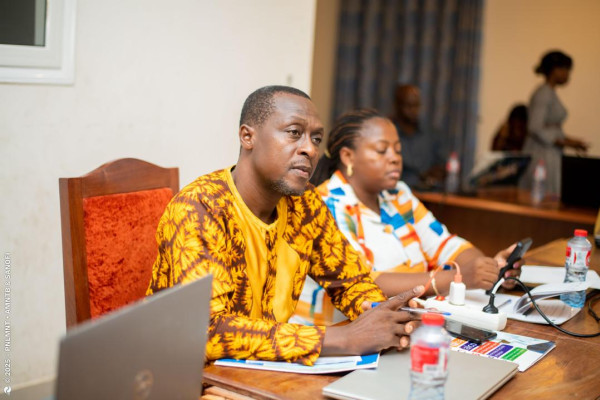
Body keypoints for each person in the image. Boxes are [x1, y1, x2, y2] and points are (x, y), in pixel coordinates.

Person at [146, 86, 423, 366]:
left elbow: (350, 281)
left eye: (316, 138)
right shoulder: (201, 207)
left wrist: (385, 316)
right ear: (248, 136)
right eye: (294, 132)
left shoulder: (305, 204)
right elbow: (207, 331)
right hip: (184, 373)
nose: (310, 149)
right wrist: (344, 338)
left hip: (265, 369)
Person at [293, 109, 520, 326]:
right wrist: (457, 278)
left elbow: (446, 245)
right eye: (382, 150)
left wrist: (487, 269)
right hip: (339, 330)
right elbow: (361, 281)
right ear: (348, 157)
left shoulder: (398, 195)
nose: (394, 158)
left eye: (398, 150)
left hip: (407, 319)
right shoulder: (327, 203)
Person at [521, 50, 588, 197]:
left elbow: (552, 128)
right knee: (545, 193)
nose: (567, 74)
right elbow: (535, 127)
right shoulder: (544, 93)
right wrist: (566, 143)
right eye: (565, 69)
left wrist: (570, 141)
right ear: (555, 70)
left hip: (549, 152)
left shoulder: (549, 92)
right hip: (542, 153)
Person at [390, 84, 447, 190]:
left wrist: (436, 173)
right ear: (397, 106)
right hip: (395, 192)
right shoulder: (388, 133)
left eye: (416, 106)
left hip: (428, 193)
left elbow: (442, 165)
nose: (413, 110)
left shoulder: (431, 134)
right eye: (408, 106)